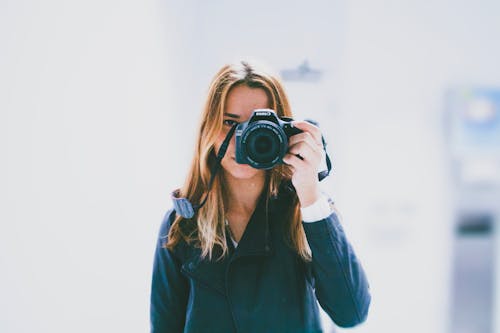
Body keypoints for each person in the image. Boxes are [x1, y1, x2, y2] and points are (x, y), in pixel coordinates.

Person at [150, 60, 371, 333]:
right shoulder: (182, 222)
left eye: (258, 125)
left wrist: (310, 194)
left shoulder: (305, 210)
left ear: (284, 131)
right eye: (230, 122)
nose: (242, 138)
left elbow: (351, 312)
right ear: (208, 128)